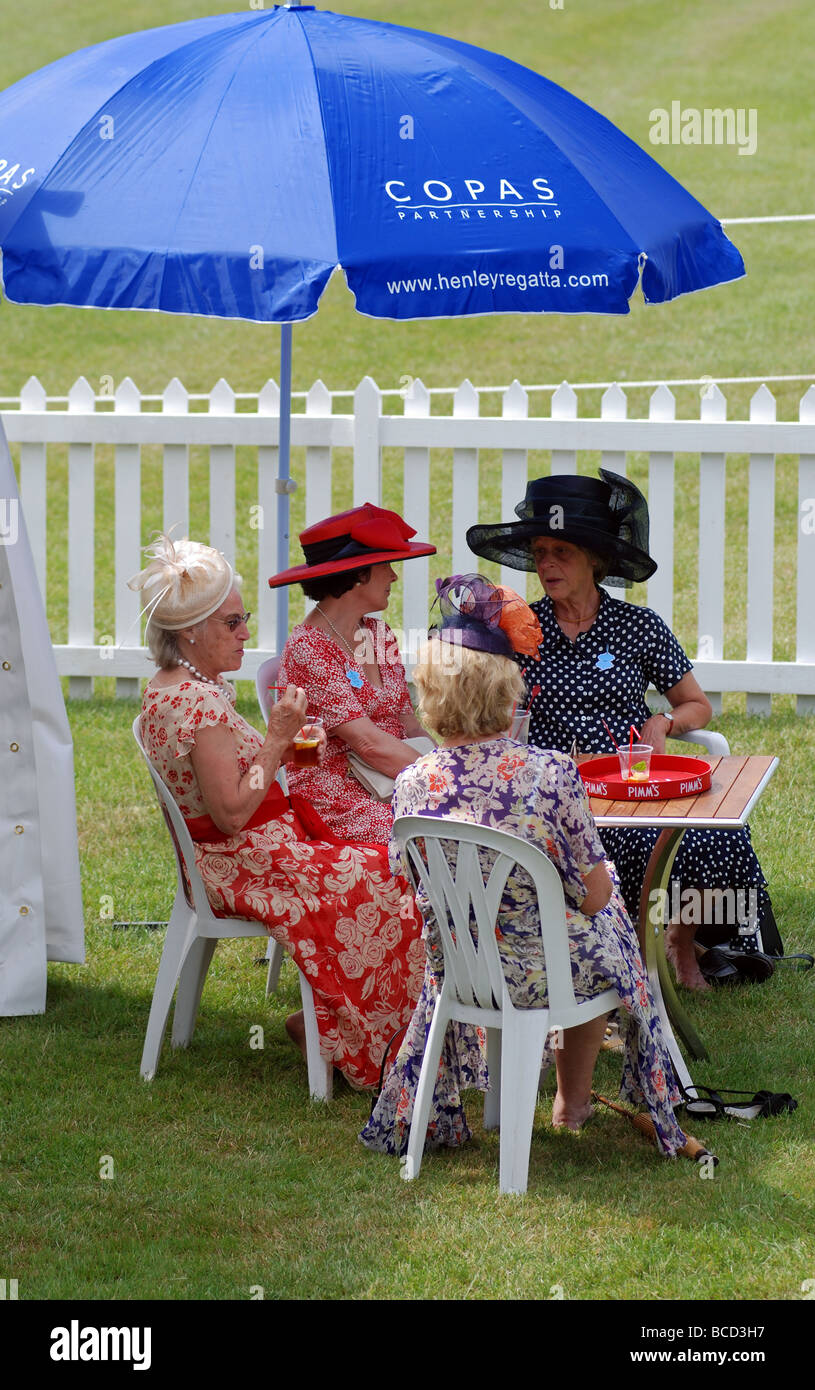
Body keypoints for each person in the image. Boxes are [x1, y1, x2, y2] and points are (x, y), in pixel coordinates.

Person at [361, 575, 688, 1159]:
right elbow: (589, 897)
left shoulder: (411, 784)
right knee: (604, 920)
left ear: (431, 697)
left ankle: (538, 1098)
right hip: (548, 976)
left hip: (461, 972)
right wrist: (600, 890)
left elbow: (406, 878)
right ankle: (573, 1099)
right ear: (510, 692)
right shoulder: (550, 773)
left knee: (585, 920)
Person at [128, 531, 425, 1089]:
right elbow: (234, 814)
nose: (246, 634)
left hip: (253, 850)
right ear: (190, 632)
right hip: (242, 863)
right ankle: (361, 1038)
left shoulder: (183, 688)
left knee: (386, 870)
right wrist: (278, 737)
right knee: (393, 873)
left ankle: (351, 1028)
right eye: (232, 623)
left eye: (243, 620)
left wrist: (280, 745)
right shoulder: (196, 704)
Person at [467, 470, 779, 991]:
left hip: (635, 787)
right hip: (560, 796)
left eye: (561, 552)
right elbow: (493, 721)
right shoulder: (523, 632)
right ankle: (631, 939)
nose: (546, 564)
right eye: (540, 551)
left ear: (594, 558)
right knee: (620, 843)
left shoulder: (639, 626)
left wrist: (665, 721)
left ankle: (680, 941)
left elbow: (696, 704)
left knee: (713, 834)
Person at [269, 503, 436, 844]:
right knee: (441, 834)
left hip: (392, 780)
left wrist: (446, 764)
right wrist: (442, 780)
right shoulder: (309, 646)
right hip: (336, 796)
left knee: (467, 823)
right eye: (386, 564)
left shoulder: (377, 633)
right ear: (359, 574)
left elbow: (409, 723)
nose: (394, 576)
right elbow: (368, 744)